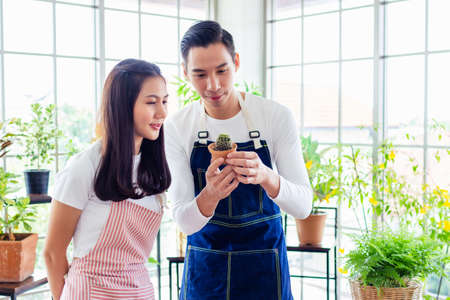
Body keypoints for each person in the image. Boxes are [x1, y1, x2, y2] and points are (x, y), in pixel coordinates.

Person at [164, 20, 313, 300]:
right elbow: (184, 222)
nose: (213, 85)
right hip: (206, 273)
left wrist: (267, 177)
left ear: (236, 62)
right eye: (200, 74)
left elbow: (304, 206)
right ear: (185, 73)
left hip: (264, 270)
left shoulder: (274, 116)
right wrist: (210, 195)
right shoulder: (177, 127)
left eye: (222, 70)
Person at [44, 59, 171, 300]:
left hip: (139, 291)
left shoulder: (153, 168)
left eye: (164, 101)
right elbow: (52, 253)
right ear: (123, 105)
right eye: (152, 102)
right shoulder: (84, 167)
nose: (162, 112)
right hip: (89, 292)